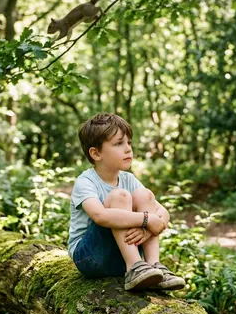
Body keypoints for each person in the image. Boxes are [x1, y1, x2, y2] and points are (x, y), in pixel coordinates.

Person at [68, 112, 185, 291]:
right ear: (96, 153)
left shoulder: (129, 179)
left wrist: (146, 230)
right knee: (119, 196)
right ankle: (134, 268)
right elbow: (100, 216)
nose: (128, 149)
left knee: (145, 195)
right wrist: (146, 220)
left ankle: (153, 265)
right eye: (118, 144)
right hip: (90, 257)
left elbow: (163, 213)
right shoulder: (86, 181)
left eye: (129, 142)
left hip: (121, 254)